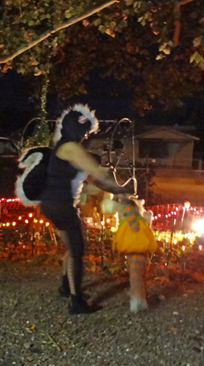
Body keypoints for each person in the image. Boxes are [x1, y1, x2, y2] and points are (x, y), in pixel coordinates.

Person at [39, 104, 130, 314]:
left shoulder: (64, 147)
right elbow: (97, 173)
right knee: (78, 250)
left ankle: (65, 286)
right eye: (85, 131)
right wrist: (121, 189)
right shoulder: (71, 147)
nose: (86, 136)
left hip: (52, 204)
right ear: (77, 129)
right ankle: (76, 301)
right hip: (61, 205)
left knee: (72, 246)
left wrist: (116, 189)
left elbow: (91, 177)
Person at [110, 195, 158, 312]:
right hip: (137, 254)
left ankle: (137, 301)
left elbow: (132, 222)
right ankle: (140, 296)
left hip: (136, 253)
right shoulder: (140, 222)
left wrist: (125, 206)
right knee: (138, 277)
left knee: (135, 277)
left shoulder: (133, 221)